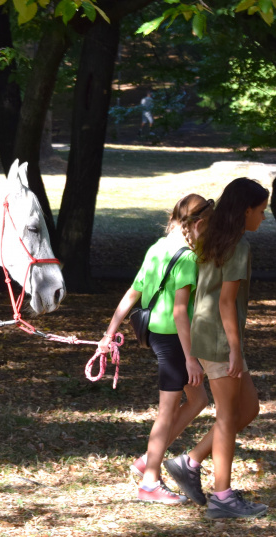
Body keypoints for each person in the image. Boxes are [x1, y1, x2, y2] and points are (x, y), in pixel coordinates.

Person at [165, 178, 270, 519]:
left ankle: (189, 462)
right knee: (227, 418)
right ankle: (223, 498)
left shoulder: (214, 239)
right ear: (246, 210)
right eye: (261, 211)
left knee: (247, 408)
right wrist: (236, 350)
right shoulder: (237, 247)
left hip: (209, 336)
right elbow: (226, 303)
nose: (263, 218)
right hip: (220, 340)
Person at [99, 194, 214, 504]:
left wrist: (109, 333)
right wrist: (191, 359)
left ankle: (149, 458)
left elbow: (132, 294)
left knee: (198, 398)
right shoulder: (187, 257)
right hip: (174, 339)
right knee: (166, 411)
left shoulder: (157, 248)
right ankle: (150, 481)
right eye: (208, 228)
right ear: (199, 224)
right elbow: (180, 312)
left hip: (153, 333)